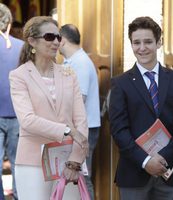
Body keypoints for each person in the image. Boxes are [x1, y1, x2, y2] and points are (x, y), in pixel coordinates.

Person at [109, 16, 173, 200]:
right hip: (134, 173)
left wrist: (163, 158)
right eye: (136, 42)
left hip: (170, 172)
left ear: (159, 43)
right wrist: (146, 161)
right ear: (131, 44)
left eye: (148, 42)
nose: (142, 48)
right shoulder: (120, 83)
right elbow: (118, 130)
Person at [9, 16, 88, 200]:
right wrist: (67, 130)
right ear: (32, 41)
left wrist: (76, 160)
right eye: (49, 37)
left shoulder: (69, 74)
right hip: (33, 162)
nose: (56, 42)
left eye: (58, 37)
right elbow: (27, 120)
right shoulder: (19, 76)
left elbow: (81, 121)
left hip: (68, 161)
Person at [59, 24, 101, 200]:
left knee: (82, 176)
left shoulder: (81, 62)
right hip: (75, 129)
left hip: (85, 129)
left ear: (63, 40)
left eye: (55, 38)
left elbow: (79, 99)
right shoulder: (71, 61)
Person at [0, 3, 24, 200]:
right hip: (19, 113)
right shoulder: (22, 47)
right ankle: (19, 197)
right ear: (8, 23)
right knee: (18, 163)